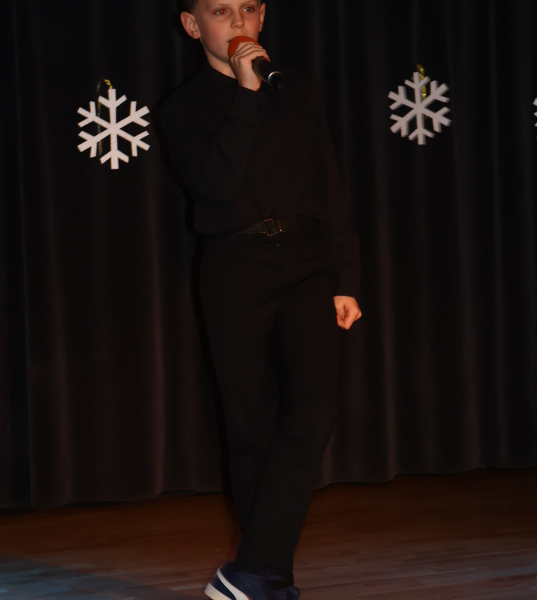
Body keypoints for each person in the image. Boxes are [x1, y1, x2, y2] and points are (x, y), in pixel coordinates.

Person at [161, 1, 362, 598]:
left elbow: (328, 183)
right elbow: (216, 186)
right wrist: (247, 93)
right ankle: (267, 579)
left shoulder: (299, 90)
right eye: (220, 10)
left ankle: (253, 570)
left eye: (248, 7)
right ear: (192, 25)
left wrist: (345, 276)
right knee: (251, 432)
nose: (238, 22)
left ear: (264, 15)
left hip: (307, 264)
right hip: (234, 266)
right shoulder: (183, 107)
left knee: (314, 413)